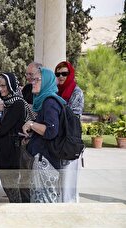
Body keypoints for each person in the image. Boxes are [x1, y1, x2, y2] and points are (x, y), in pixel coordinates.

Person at [22, 67, 66, 203]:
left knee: (43, 204)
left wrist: (31, 124)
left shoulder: (49, 102)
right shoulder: (49, 101)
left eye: (36, 79)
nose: (32, 82)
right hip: (46, 161)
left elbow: (51, 130)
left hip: (46, 163)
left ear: (46, 81)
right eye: (32, 79)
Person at [0, 73, 35, 203]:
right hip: (3, 151)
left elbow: (2, 129)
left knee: (14, 189)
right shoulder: (4, 104)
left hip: (13, 152)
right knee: (8, 187)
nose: (0, 89)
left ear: (11, 86)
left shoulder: (18, 104)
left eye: (4, 86)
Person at [55, 61, 84, 203]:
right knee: (59, 183)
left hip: (70, 142)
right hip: (58, 142)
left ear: (70, 74)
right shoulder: (56, 91)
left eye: (64, 74)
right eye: (58, 74)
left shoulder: (76, 92)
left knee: (68, 184)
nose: (61, 77)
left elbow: (72, 117)